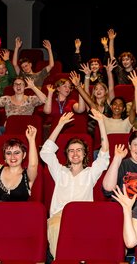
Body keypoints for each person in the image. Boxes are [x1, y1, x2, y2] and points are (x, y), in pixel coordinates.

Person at [41, 110, 110, 258]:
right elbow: (46, 152)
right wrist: (59, 125)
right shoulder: (60, 172)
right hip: (59, 217)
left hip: (83, 216)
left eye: (79, 150)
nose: (75, 153)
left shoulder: (91, 173)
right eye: (71, 151)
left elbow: (104, 154)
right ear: (66, 154)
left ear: (85, 154)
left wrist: (101, 123)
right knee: (54, 228)